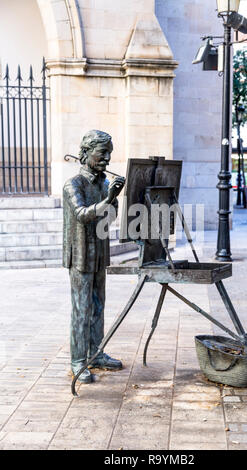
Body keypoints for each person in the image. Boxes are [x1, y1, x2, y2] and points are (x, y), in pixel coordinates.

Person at [63, 130, 125, 383]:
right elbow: (81, 214)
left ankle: (96, 353)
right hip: (80, 255)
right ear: (86, 153)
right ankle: (78, 360)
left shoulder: (102, 183)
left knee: (99, 304)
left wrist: (114, 199)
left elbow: (109, 217)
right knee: (82, 308)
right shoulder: (73, 184)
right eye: (102, 153)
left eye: (109, 153)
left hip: (99, 252)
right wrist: (109, 198)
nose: (107, 158)